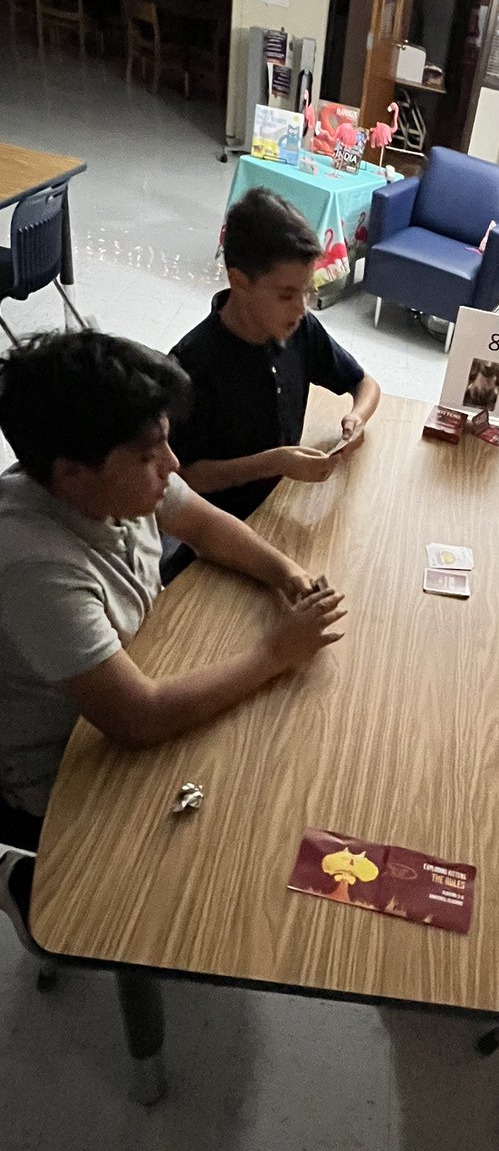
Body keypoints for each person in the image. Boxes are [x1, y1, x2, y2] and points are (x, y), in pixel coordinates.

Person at [0, 331, 346, 946]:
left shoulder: (120, 479)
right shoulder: (33, 562)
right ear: (72, 475)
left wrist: (286, 575)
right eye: (150, 454)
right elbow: (139, 718)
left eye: (167, 441)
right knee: (214, 876)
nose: (174, 464)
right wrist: (276, 651)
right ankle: (25, 881)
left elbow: (206, 527)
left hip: (136, 667)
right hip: (64, 763)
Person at [169, 187, 382, 525]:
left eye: (307, 292)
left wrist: (357, 418)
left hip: (282, 506)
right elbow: (184, 478)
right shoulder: (191, 365)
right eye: (286, 295)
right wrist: (275, 463)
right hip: (221, 526)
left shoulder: (300, 329)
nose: (301, 309)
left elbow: (365, 384)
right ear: (239, 282)